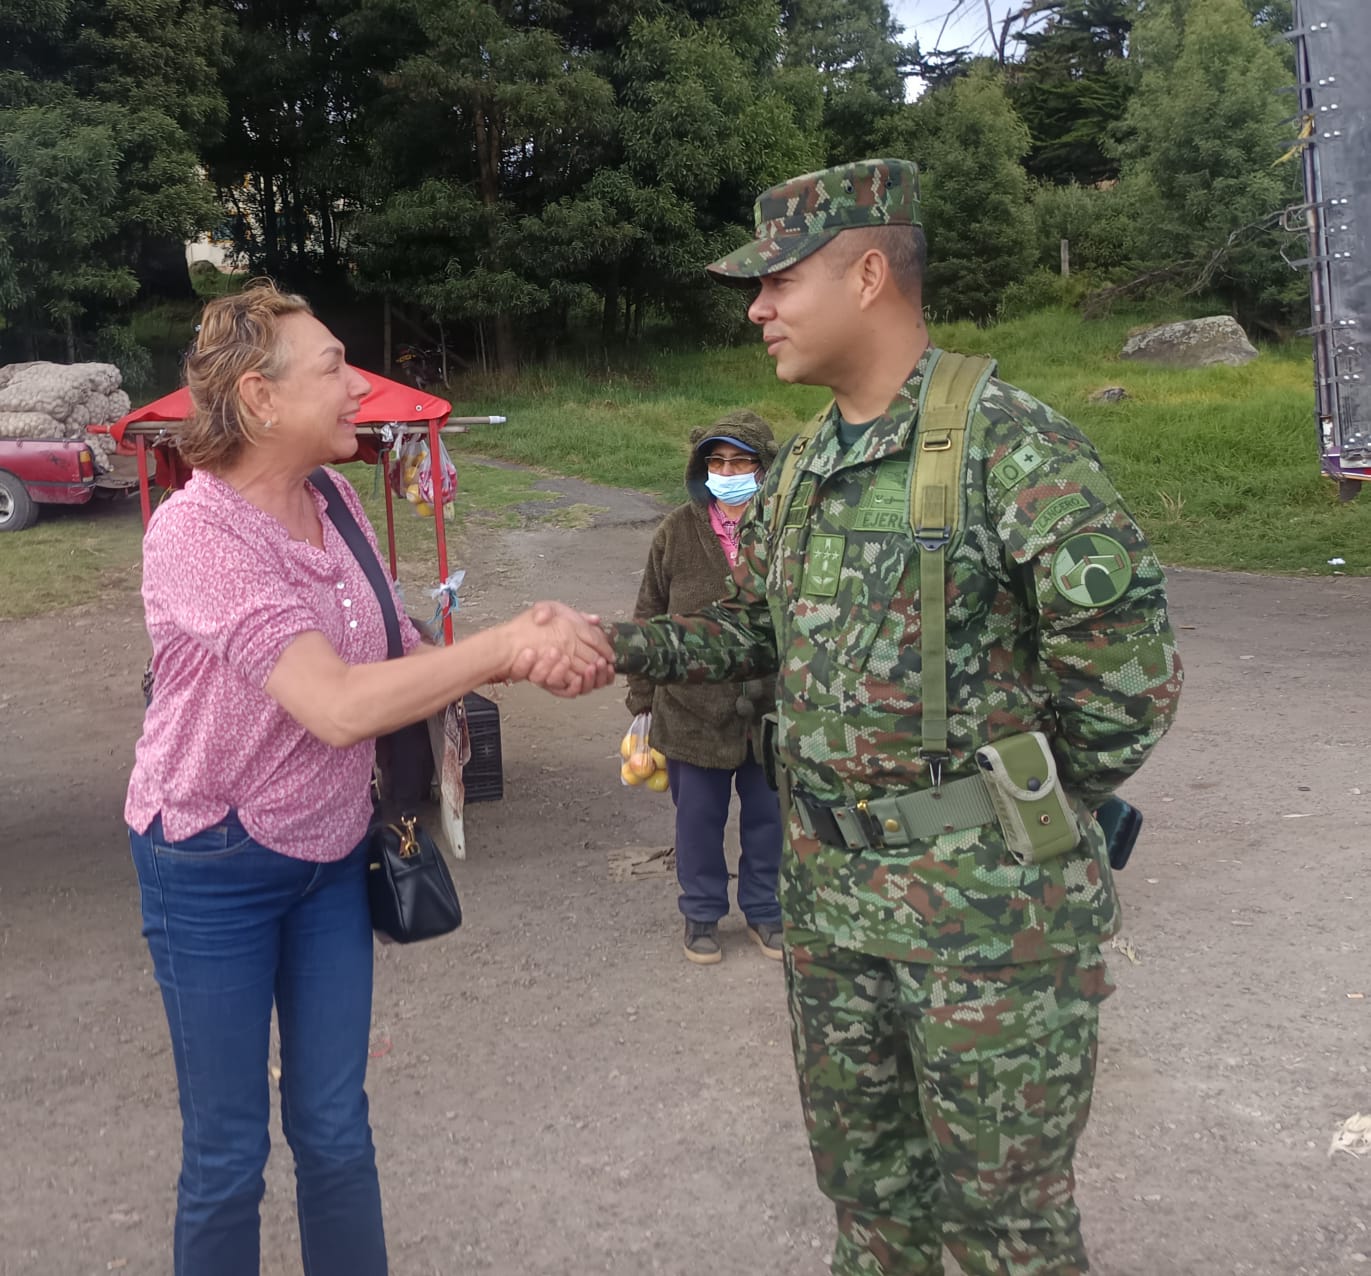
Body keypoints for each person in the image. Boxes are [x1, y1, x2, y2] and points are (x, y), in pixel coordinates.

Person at [595, 160, 1183, 1274]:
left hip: (989, 929)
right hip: (832, 911)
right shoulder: (807, 459)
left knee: (1010, 1233)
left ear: (869, 273)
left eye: (777, 280)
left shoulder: (1014, 445)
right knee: (871, 1214)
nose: (757, 307)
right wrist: (615, 643)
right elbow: (753, 632)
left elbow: (1130, 683)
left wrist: (1008, 818)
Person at [125, 281, 611, 1276]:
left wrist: (485, 653)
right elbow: (339, 701)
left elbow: (386, 639)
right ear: (260, 398)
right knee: (228, 1156)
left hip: (333, 850)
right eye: (335, 367)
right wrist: (506, 648)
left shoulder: (335, 500)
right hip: (210, 859)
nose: (357, 385)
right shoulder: (196, 534)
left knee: (337, 1131)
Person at [626, 412, 784, 964]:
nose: (728, 471)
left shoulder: (788, 528)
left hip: (770, 711)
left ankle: (766, 911)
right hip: (690, 712)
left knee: (770, 820)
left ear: (765, 469)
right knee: (698, 821)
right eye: (717, 462)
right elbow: (648, 616)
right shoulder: (675, 531)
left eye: (740, 461)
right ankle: (701, 913)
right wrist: (641, 704)